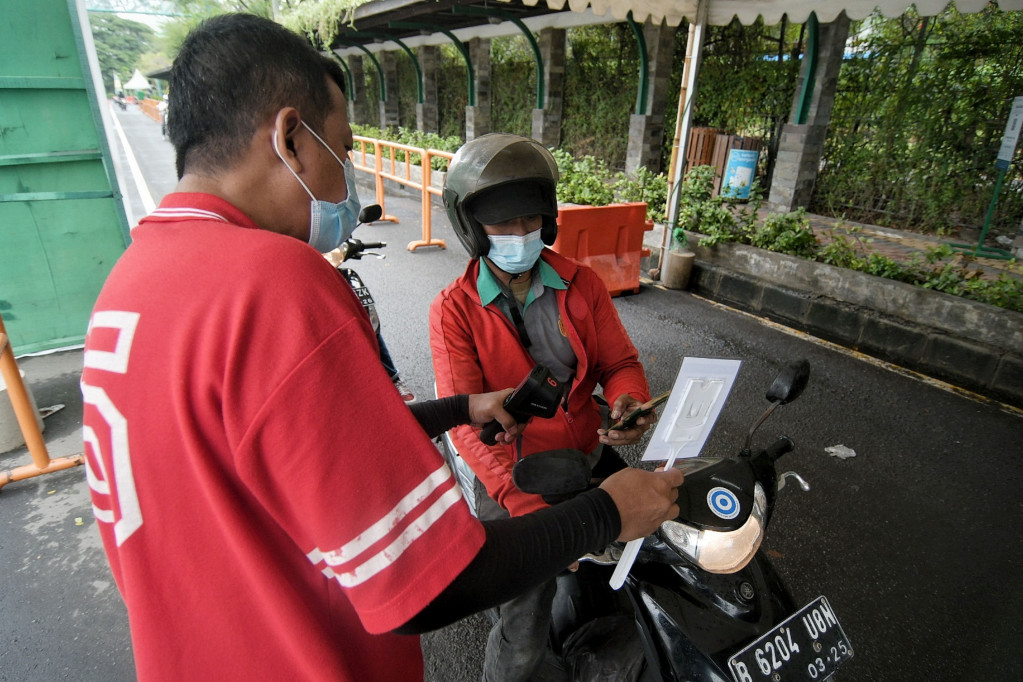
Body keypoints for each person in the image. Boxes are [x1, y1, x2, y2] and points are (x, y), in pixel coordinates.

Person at [80, 14, 683, 682]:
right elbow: (425, 581)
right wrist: (605, 512)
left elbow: (278, 454)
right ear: (289, 137)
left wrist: (456, 409)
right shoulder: (274, 283)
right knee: (522, 631)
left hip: (198, 658)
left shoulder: (129, 285)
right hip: (306, 661)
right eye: (342, 150)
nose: (349, 180)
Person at [430, 133, 660, 681]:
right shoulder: (453, 310)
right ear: (471, 227)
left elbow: (619, 362)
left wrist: (627, 399)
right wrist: (527, 512)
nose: (520, 235)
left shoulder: (582, 285)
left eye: (531, 221)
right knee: (522, 628)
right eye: (503, 225)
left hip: (584, 454)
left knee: (625, 579)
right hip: (511, 478)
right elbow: (465, 426)